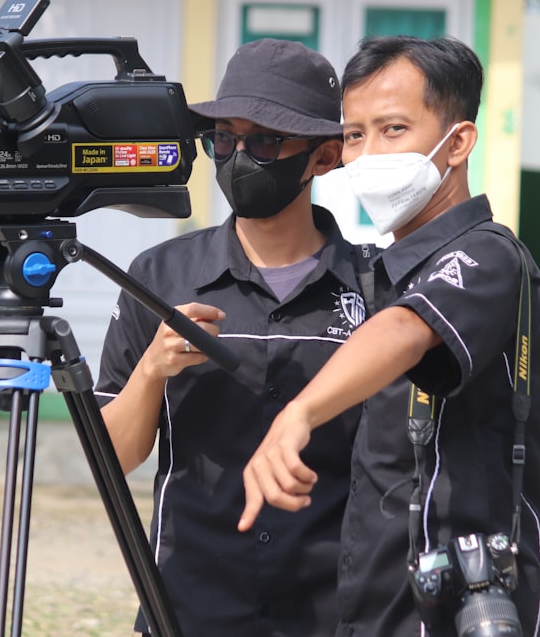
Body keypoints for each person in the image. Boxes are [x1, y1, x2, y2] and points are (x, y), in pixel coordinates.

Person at [240, 35, 540, 637]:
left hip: (460, 602)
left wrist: (299, 413)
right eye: (354, 135)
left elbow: (405, 330)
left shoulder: (487, 254)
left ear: (459, 143)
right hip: (379, 597)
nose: (368, 155)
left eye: (393, 130)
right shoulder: (393, 268)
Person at [94, 38, 372, 637]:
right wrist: (150, 370)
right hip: (186, 610)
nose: (240, 156)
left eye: (266, 141)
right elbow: (111, 457)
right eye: (224, 138)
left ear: (325, 157)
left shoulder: (378, 289)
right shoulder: (158, 278)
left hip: (330, 614)